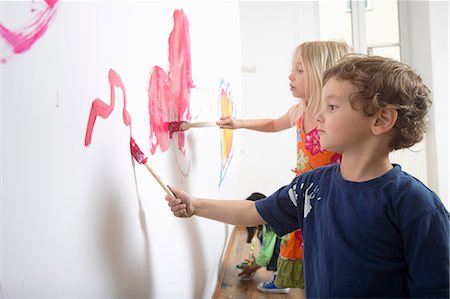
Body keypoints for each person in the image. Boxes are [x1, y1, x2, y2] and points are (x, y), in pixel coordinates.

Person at [166, 54, 450, 298]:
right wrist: (195, 205)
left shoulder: (417, 205)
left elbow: (436, 289)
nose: (318, 117)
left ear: (380, 120)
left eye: (332, 107)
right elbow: (254, 211)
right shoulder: (311, 186)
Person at [217, 40, 351, 291]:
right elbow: (272, 124)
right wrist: (239, 123)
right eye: (293, 69)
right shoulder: (298, 112)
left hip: (332, 199)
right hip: (305, 199)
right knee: (301, 261)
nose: (291, 76)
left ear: (320, 73)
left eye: (300, 70)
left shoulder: (333, 118)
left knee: (326, 261)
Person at [235, 193, 288, 293]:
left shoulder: (270, 226)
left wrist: (253, 267)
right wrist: (256, 262)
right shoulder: (268, 220)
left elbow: (266, 253)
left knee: (275, 250)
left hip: (286, 251)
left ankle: (280, 282)